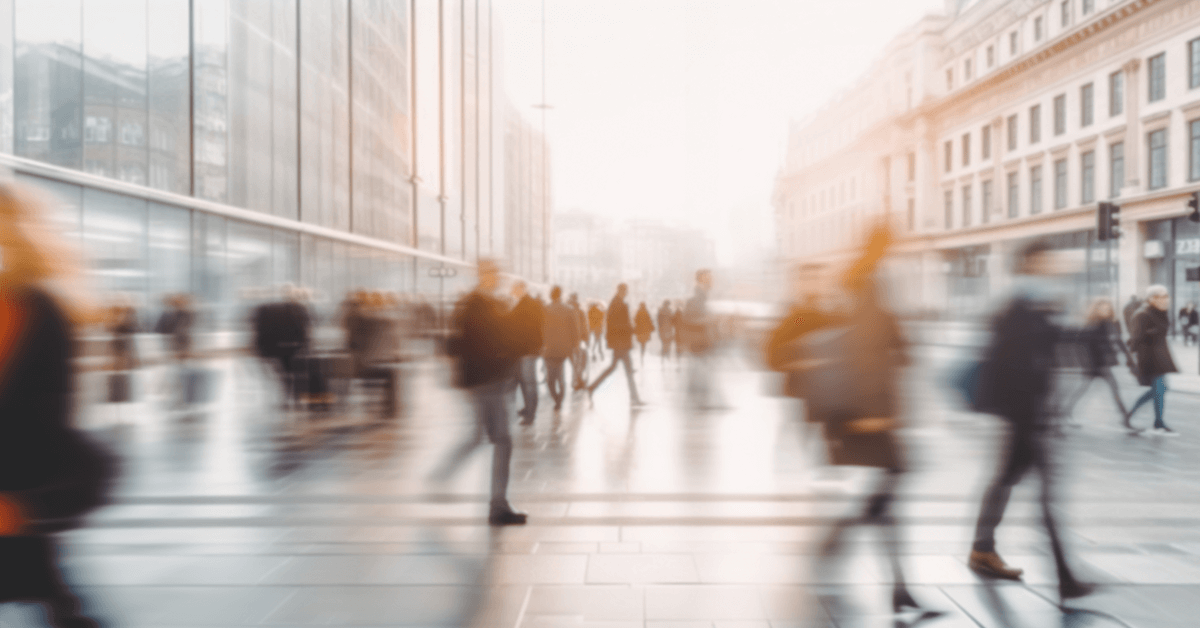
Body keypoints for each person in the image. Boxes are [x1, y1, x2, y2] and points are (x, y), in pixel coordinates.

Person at [806, 224, 937, 616]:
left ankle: (893, 583)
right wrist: (873, 413)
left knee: (887, 495)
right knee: (889, 489)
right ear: (881, 245)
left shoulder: (864, 280)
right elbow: (865, 348)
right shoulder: (866, 283)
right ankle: (860, 561)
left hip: (875, 408)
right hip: (871, 411)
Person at [0, 182, 109, 627]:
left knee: (55, 596)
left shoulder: (37, 308)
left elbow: (46, 413)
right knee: (54, 595)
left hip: (16, 487)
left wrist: (20, 499)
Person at [967, 238, 1094, 601]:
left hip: (1028, 413)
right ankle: (1065, 577)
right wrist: (1035, 415)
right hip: (1025, 415)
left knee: (1006, 479)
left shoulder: (1036, 303)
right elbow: (1017, 362)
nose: (1053, 268)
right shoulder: (1017, 305)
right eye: (1047, 262)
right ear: (1031, 265)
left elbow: (1047, 349)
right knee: (1044, 495)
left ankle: (982, 549)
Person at [433, 260, 526, 525]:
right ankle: (498, 506)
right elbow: (487, 342)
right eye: (494, 275)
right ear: (485, 276)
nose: (497, 279)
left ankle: (443, 476)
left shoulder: (473, 303)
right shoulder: (480, 305)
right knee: (502, 440)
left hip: (481, 381)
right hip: (487, 381)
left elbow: (455, 343)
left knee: (478, 437)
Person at [1058, 298, 1134, 430]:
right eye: (1102, 308)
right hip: (1094, 365)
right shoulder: (1091, 325)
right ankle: (1065, 414)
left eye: (1107, 308)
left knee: (1113, 391)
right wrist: (1086, 363)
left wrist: (1129, 360)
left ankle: (1125, 420)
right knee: (1084, 390)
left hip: (1104, 365)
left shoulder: (1111, 324)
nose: (1106, 310)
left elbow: (1119, 342)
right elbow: (1080, 344)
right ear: (1096, 310)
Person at [1126, 285, 1179, 435]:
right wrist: (1134, 362)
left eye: (1166, 296)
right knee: (1160, 390)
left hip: (1160, 357)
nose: (1165, 299)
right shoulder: (1142, 314)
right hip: (1149, 358)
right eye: (1160, 296)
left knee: (1160, 390)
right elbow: (1135, 339)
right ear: (1151, 299)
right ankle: (1156, 422)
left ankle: (1154, 421)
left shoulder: (1161, 313)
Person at [587, 283, 643, 406]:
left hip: (618, 342)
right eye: (626, 291)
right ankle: (634, 398)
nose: (627, 293)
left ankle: (592, 387)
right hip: (621, 342)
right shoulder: (620, 304)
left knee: (613, 368)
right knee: (626, 370)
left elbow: (613, 323)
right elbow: (619, 324)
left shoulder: (614, 303)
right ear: (622, 291)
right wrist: (631, 329)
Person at [681, 269, 721, 409]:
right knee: (699, 373)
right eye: (708, 278)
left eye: (711, 278)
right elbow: (688, 319)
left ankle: (698, 401)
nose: (711, 281)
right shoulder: (697, 297)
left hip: (702, 343)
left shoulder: (703, 296)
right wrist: (708, 320)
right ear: (701, 280)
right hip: (698, 343)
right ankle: (699, 401)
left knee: (698, 373)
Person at [509, 281, 544, 425]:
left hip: (527, 349)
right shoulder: (528, 303)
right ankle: (528, 409)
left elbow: (524, 327)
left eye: (515, 289)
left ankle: (530, 414)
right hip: (528, 349)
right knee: (525, 381)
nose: (513, 292)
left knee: (528, 382)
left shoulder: (527, 304)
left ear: (521, 289)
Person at [543, 286, 581, 412]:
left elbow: (541, 329)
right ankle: (560, 399)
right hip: (564, 348)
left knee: (550, 380)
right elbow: (575, 330)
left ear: (551, 295)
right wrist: (576, 345)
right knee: (560, 376)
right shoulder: (569, 310)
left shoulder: (545, 309)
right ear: (560, 295)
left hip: (549, 348)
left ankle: (557, 399)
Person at [568, 293, 589, 390]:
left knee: (575, 363)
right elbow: (584, 326)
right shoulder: (580, 311)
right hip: (577, 340)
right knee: (578, 362)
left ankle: (577, 381)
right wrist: (586, 338)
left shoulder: (567, 309)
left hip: (568, 340)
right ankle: (577, 381)